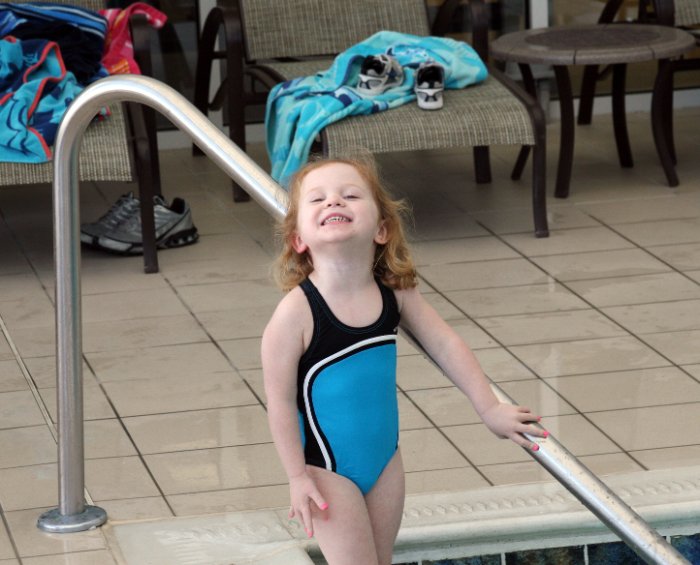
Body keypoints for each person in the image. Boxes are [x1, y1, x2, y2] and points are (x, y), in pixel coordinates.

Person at [261, 154, 548, 565]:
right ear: (298, 240)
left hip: (385, 462)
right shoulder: (295, 314)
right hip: (325, 472)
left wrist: (489, 407)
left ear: (382, 229)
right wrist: (296, 477)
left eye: (350, 195)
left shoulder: (393, 292)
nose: (333, 203)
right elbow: (280, 402)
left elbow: (445, 344)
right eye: (317, 199)